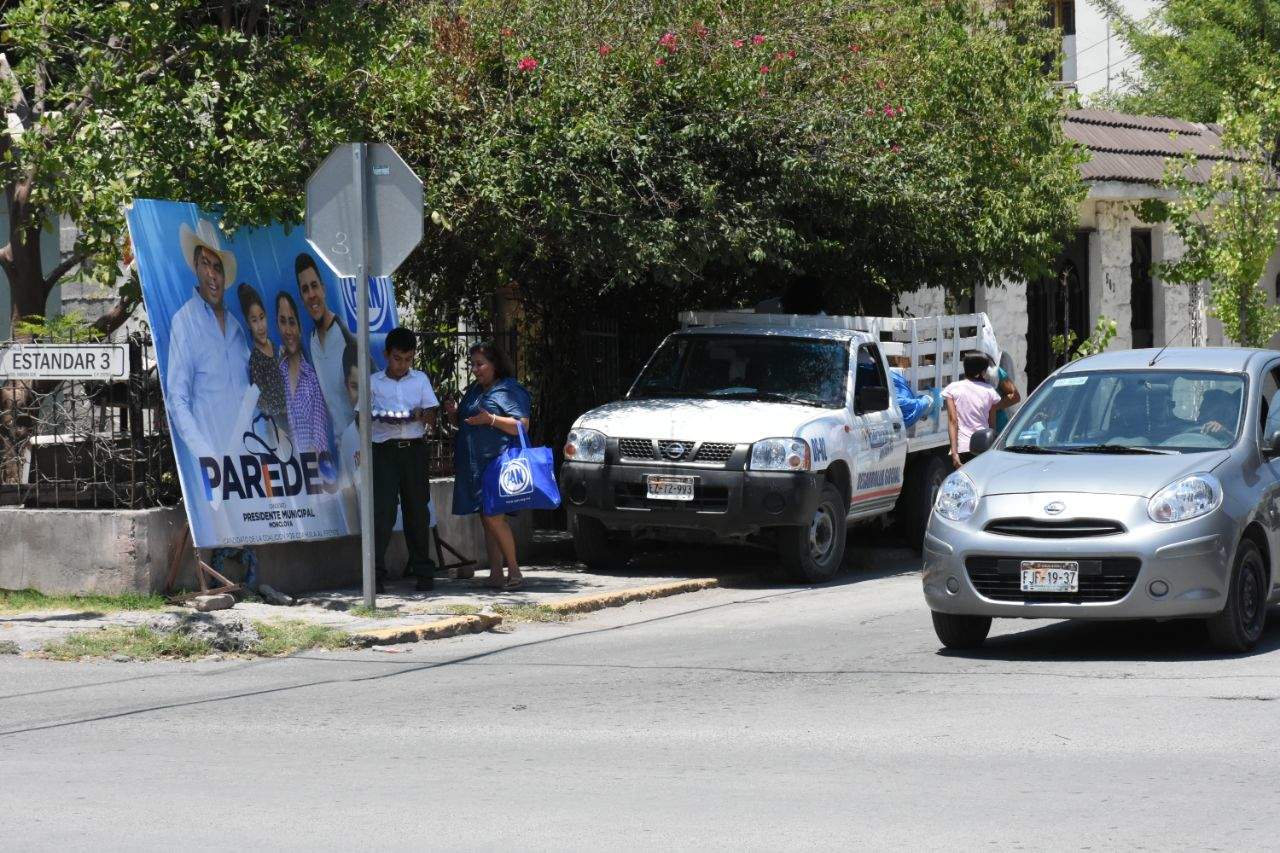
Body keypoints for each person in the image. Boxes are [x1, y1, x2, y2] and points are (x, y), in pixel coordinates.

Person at [446, 342, 532, 590]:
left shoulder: (509, 389)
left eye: (480, 364)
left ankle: (514, 570)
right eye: (472, 364)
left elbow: (522, 425)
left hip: (498, 464)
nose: (475, 369)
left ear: (495, 365)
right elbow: (468, 421)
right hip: (475, 465)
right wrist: (453, 413)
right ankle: (495, 573)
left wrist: (491, 419)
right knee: (487, 518)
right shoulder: (475, 390)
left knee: (494, 517)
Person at [165, 219, 249, 460]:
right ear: (196, 267)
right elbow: (177, 400)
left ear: (224, 276)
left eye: (217, 267)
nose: (212, 274)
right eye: (205, 264)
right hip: (212, 464)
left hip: (248, 460)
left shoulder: (236, 328)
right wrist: (206, 456)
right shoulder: (185, 322)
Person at [367, 327, 439, 593]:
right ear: (387, 355)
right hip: (384, 451)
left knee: (417, 511)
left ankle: (422, 571)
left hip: (414, 451)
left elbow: (432, 415)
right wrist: (379, 418)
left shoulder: (420, 380)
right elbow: (361, 415)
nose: (402, 365)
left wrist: (421, 414)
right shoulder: (373, 382)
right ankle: (375, 574)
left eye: (408, 359)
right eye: (398, 359)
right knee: (383, 513)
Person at [296, 252, 356, 440]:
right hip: (339, 448)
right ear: (301, 297)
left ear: (323, 289)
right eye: (305, 289)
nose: (311, 295)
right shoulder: (312, 341)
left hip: (361, 444)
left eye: (314, 286)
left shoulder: (347, 337)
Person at [275, 291, 331, 455]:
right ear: (277, 326)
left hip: (312, 466)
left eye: (292, 322)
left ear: (299, 328)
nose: (288, 330)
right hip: (282, 466)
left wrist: (307, 464)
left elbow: (320, 437)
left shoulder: (313, 379)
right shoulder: (276, 375)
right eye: (283, 322)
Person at [943, 353, 1017, 469]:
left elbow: (953, 421)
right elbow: (991, 426)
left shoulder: (952, 388)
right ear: (983, 372)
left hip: (962, 447)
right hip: (983, 446)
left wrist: (954, 453)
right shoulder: (990, 391)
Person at [237, 283, 290, 443]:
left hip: (293, 418)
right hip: (278, 427)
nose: (260, 326)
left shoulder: (276, 347)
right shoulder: (255, 360)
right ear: (248, 323)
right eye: (254, 321)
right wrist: (276, 429)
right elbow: (261, 403)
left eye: (262, 318)